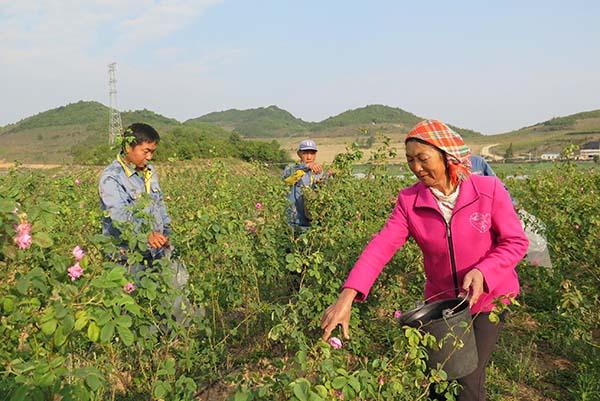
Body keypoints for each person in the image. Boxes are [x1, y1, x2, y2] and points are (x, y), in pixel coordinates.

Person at [321, 120, 528, 401]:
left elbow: (515, 241)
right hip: (443, 306)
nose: (416, 167)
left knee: (466, 381)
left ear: (446, 156)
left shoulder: (487, 190)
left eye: (422, 158)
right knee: (438, 379)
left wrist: (483, 272)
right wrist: (347, 296)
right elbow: (380, 247)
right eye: (409, 160)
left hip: (488, 300)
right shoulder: (409, 201)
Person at [99, 123, 171, 268]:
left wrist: (167, 233)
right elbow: (119, 217)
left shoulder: (149, 171)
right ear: (127, 148)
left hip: (154, 253)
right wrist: (147, 236)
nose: (150, 157)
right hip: (127, 258)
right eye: (146, 151)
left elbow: (159, 204)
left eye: (153, 152)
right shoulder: (112, 177)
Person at [282, 139, 325, 230]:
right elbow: (287, 179)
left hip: (312, 221)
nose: (309, 157)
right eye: (305, 153)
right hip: (294, 219)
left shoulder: (319, 172)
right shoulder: (291, 168)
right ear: (299, 154)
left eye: (312, 153)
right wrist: (306, 167)